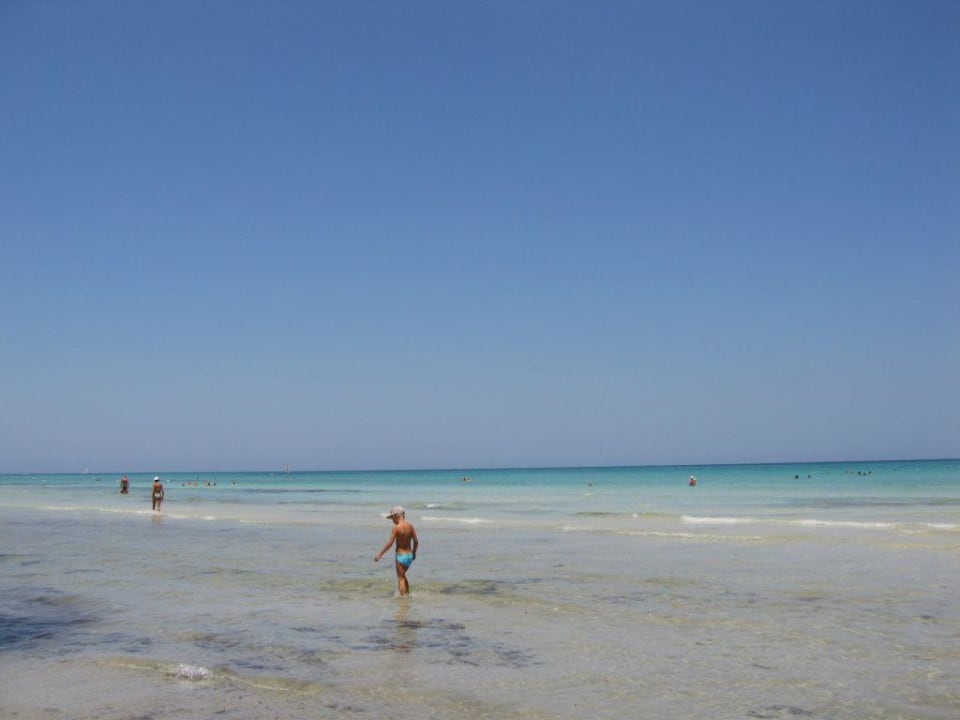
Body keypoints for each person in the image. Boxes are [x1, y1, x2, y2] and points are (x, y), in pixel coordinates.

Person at [374, 506, 419, 596]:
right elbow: (416, 541)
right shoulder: (410, 526)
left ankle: (404, 599)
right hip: (409, 556)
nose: (392, 520)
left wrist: (380, 554)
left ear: (396, 516)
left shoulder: (396, 528)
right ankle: (407, 595)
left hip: (400, 556)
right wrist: (414, 553)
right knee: (403, 576)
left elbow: (390, 543)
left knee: (400, 579)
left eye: (392, 518)